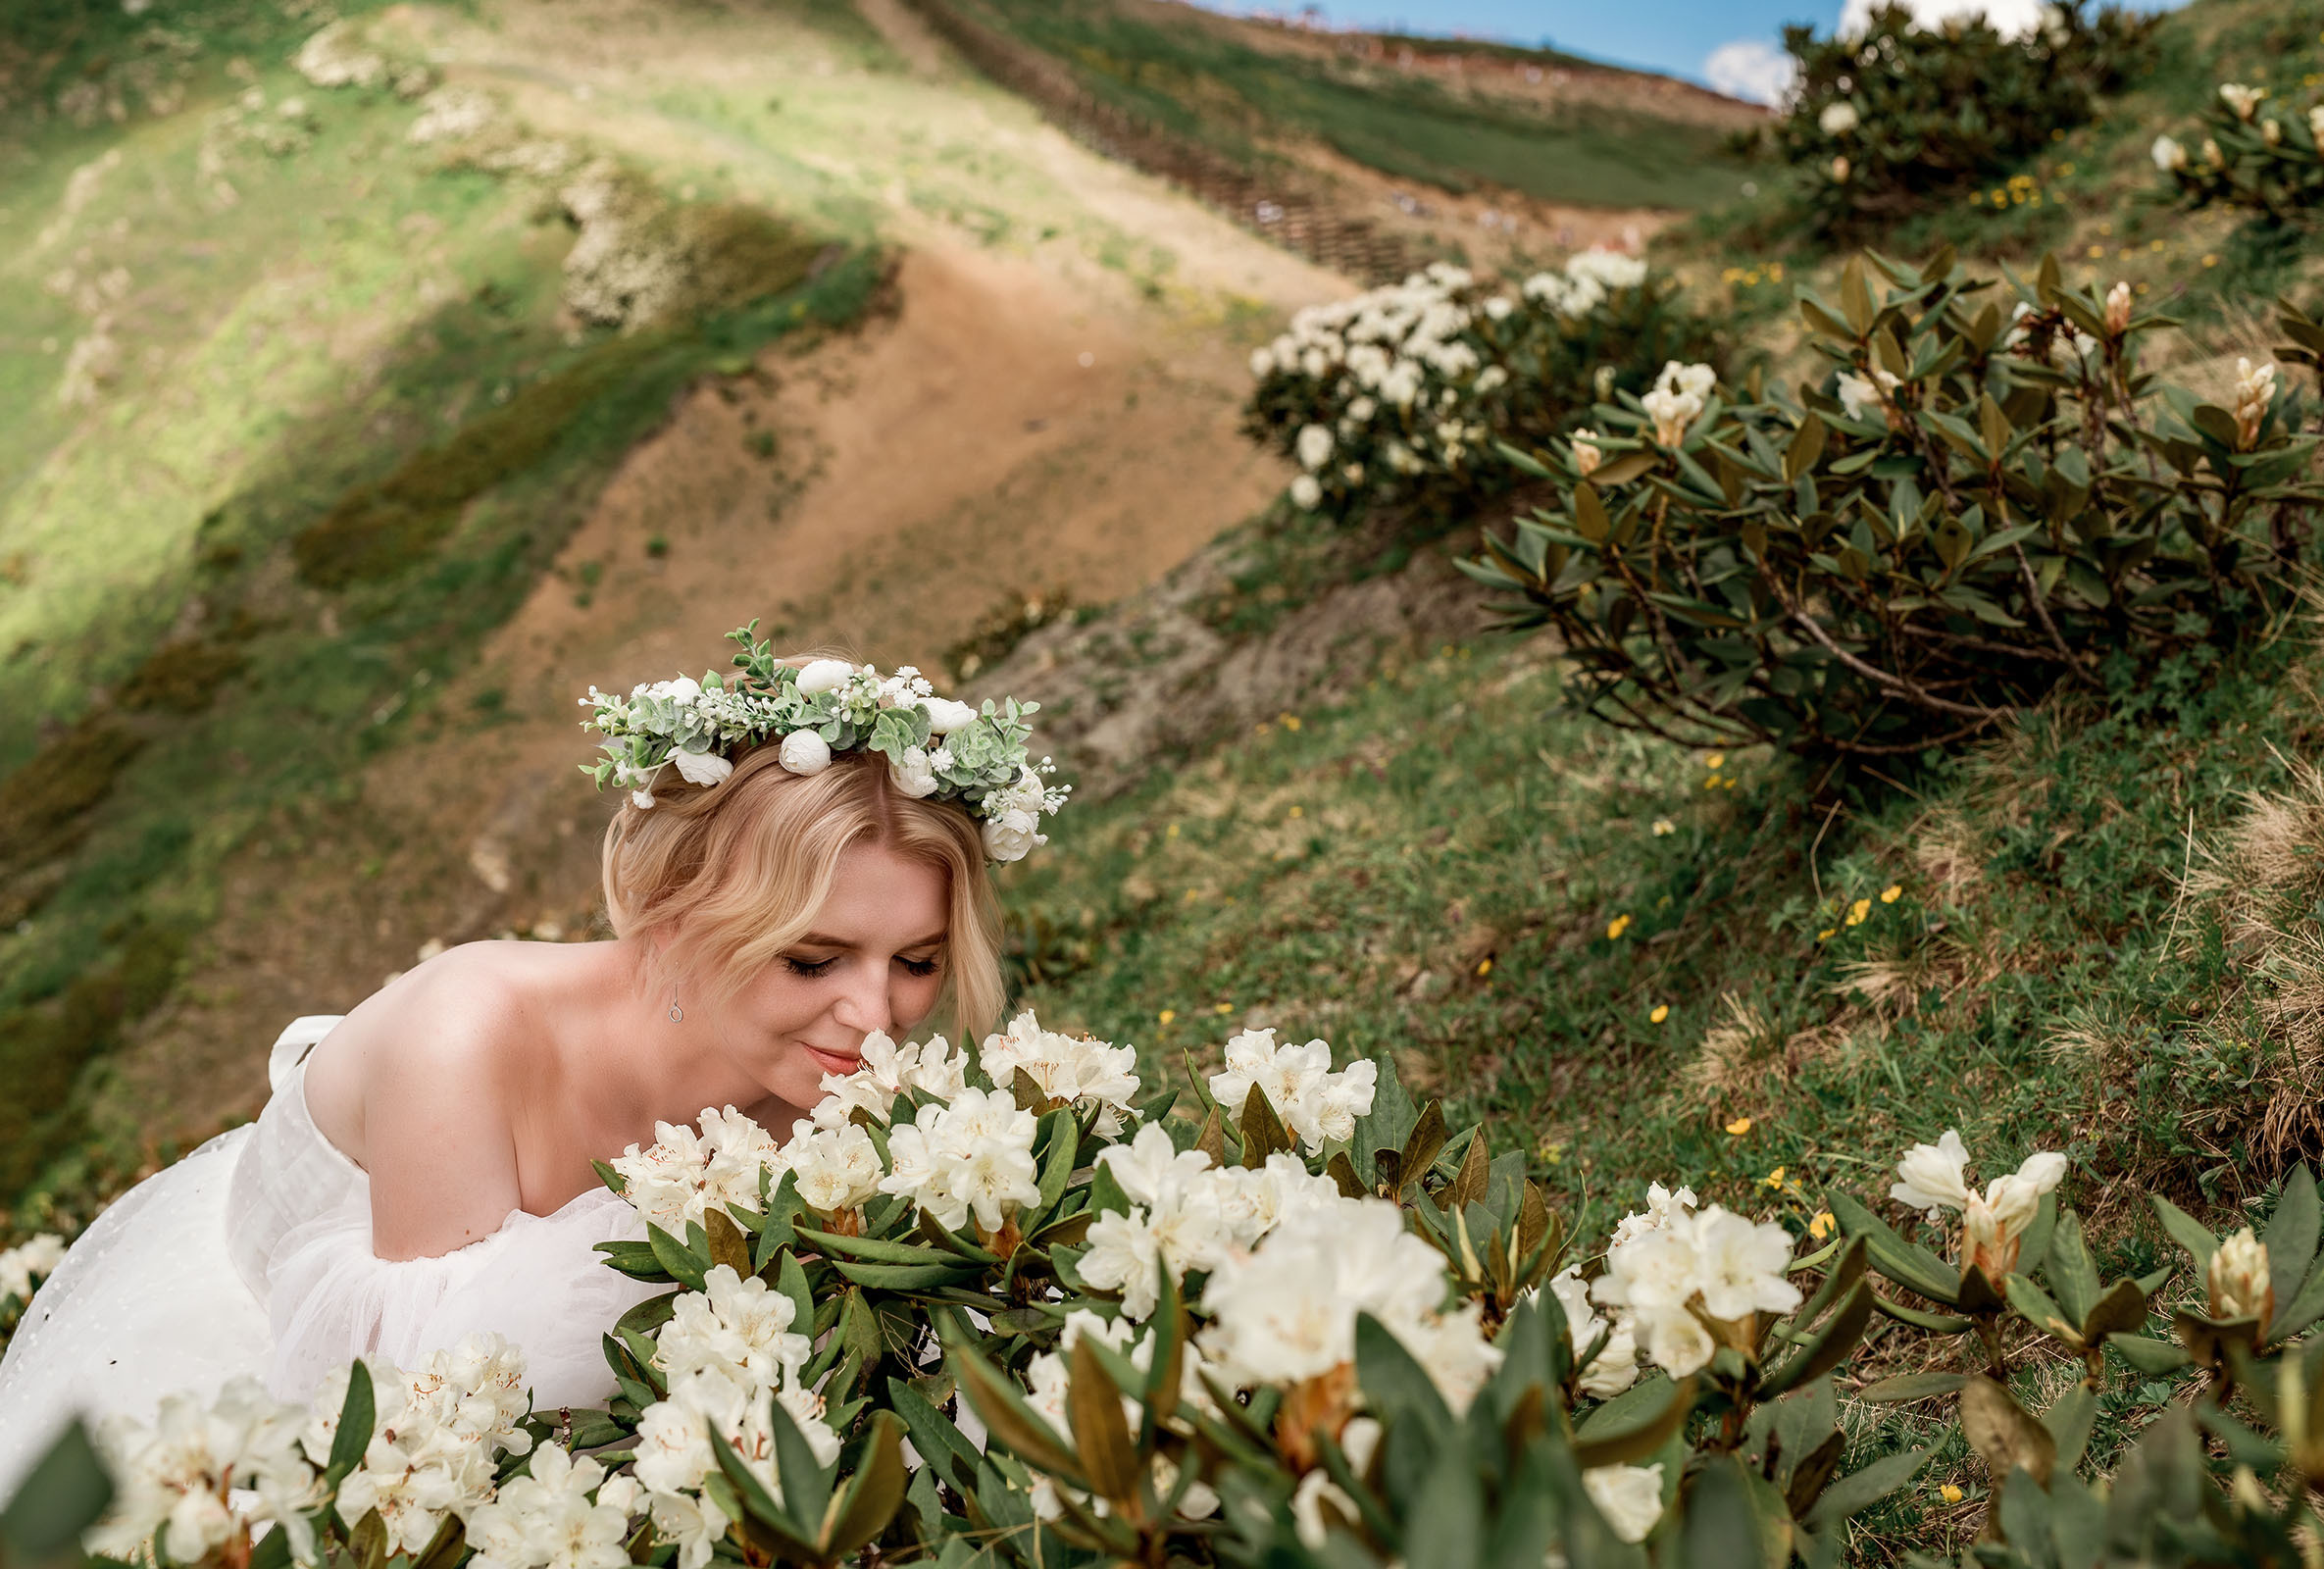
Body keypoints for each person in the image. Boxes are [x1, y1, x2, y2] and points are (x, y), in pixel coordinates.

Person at [0, 633, 1065, 1493]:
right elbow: (426, 1423)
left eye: (919, 961)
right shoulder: (464, 1041)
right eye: (812, 957)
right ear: (684, 916)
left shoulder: (827, 1072)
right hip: (317, 1369)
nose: (877, 1015)